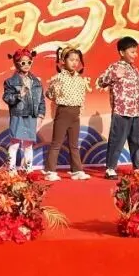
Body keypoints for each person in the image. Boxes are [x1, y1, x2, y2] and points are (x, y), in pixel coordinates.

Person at [97, 36, 139, 179]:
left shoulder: (135, 70)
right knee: (117, 140)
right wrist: (114, 75)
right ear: (122, 52)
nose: (135, 55)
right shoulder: (115, 67)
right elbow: (100, 81)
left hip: (136, 112)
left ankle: (138, 168)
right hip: (122, 111)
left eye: (136, 52)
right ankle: (110, 168)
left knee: (136, 142)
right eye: (132, 52)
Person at [45, 47, 90, 181]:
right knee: (56, 143)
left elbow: (82, 97)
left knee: (74, 144)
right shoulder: (58, 78)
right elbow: (49, 94)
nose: (75, 63)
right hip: (63, 111)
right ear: (63, 61)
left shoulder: (80, 79)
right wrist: (54, 89)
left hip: (75, 113)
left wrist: (79, 111)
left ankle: (77, 170)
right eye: (71, 60)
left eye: (77, 60)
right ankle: (50, 171)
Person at [3, 48, 45, 173]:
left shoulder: (36, 81)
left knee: (28, 145)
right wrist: (18, 95)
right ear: (17, 63)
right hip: (18, 115)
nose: (26, 65)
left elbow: (41, 100)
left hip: (32, 116)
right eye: (23, 62)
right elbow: (7, 98)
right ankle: (11, 170)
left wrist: (41, 115)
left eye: (29, 62)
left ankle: (27, 170)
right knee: (15, 143)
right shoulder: (10, 82)